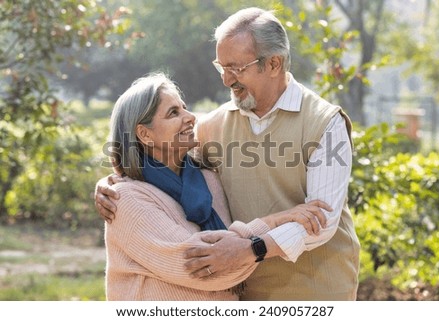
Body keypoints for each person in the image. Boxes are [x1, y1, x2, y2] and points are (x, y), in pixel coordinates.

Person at [96, 7, 360, 300]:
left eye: (236, 68)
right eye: (222, 67)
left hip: (313, 288)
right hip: (242, 289)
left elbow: (321, 222)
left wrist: (251, 249)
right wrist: (111, 184)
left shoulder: (325, 123)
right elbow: (157, 155)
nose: (226, 80)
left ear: (273, 64)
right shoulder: (213, 126)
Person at [101, 72, 330, 300]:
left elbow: (228, 249)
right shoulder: (124, 199)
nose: (190, 117)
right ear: (144, 134)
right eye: (173, 113)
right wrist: (276, 220)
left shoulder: (207, 179)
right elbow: (208, 268)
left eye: (184, 107)